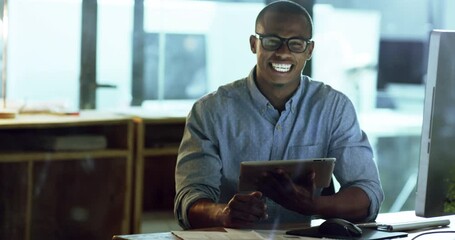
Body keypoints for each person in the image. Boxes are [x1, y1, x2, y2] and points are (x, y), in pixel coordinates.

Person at [174, 0, 384, 230]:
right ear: (254, 44)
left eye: (295, 44)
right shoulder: (210, 111)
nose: (283, 53)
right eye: (272, 41)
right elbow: (189, 199)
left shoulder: (334, 107)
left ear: (309, 50)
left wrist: (313, 205)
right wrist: (223, 214)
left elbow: (368, 194)